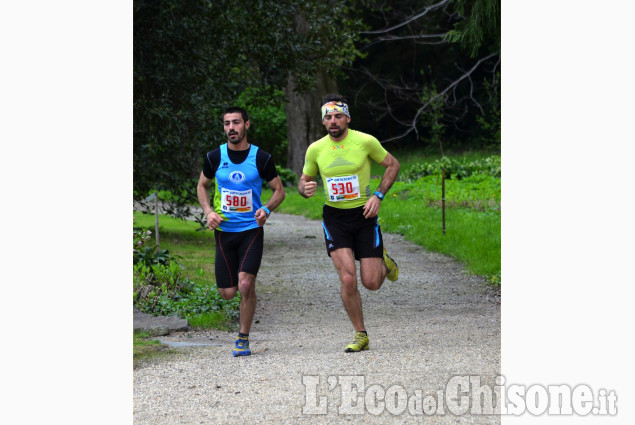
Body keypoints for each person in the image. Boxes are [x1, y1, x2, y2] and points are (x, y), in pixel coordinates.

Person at [297, 94, 400, 353]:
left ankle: (382, 261)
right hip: (335, 219)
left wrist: (378, 195)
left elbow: (392, 165)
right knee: (347, 278)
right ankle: (360, 333)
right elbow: (303, 180)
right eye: (328, 117)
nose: (333, 121)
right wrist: (304, 188)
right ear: (323, 121)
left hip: (365, 216)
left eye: (338, 116)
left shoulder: (365, 141)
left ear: (347, 118)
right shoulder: (316, 149)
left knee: (372, 283)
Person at [197, 106, 285, 357]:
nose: (231, 128)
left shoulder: (262, 158)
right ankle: (240, 294)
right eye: (226, 124)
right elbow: (202, 186)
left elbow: (279, 191)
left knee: (246, 284)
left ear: (247, 124)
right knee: (227, 293)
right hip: (224, 232)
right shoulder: (215, 156)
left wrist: (266, 209)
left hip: (250, 230)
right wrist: (208, 212)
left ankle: (243, 338)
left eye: (236, 122)